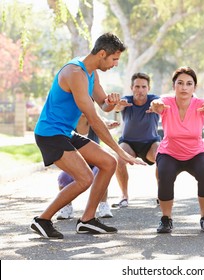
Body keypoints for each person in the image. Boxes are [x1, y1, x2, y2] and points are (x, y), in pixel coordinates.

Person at [31, 32, 146, 239]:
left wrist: (111, 103)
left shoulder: (92, 73)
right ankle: (43, 219)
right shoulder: (75, 73)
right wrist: (122, 151)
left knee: (108, 163)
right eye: (114, 59)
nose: (115, 64)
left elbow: (102, 104)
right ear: (102, 53)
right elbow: (93, 118)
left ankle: (87, 220)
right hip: (50, 133)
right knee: (84, 178)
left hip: (65, 132)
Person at [148, 66, 204, 233]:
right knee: (164, 174)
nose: (184, 87)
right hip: (169, 152)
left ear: (194, 87)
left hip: (196, 152)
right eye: (180, 83)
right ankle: (166, 219)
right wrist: (155, 104)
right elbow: (156, 103)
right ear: (174, 86)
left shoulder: (200, 104)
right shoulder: (166, 102)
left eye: (189, 83)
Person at [56, 114, 120, 220]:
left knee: (101, 173)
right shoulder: (70, 124)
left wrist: (109, 124)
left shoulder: (94, 122)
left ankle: (103, 205)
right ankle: (67, 207)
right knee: (63, 178)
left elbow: (104, 123)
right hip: (76, 163)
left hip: (94, 162)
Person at [112, 73, 160, 208]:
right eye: (137, 86)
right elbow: (117, 108)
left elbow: (160, 104)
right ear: (132, 87)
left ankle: (162, 195)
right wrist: (118, 105)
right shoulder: (125, 101)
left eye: (143, 87)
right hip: (129, 143)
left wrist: (156, 107)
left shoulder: (154, 100)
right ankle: (124, 196)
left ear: (148, 88)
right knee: (118, 160)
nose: (140, 90)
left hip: (150, 143)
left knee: (162, 157)